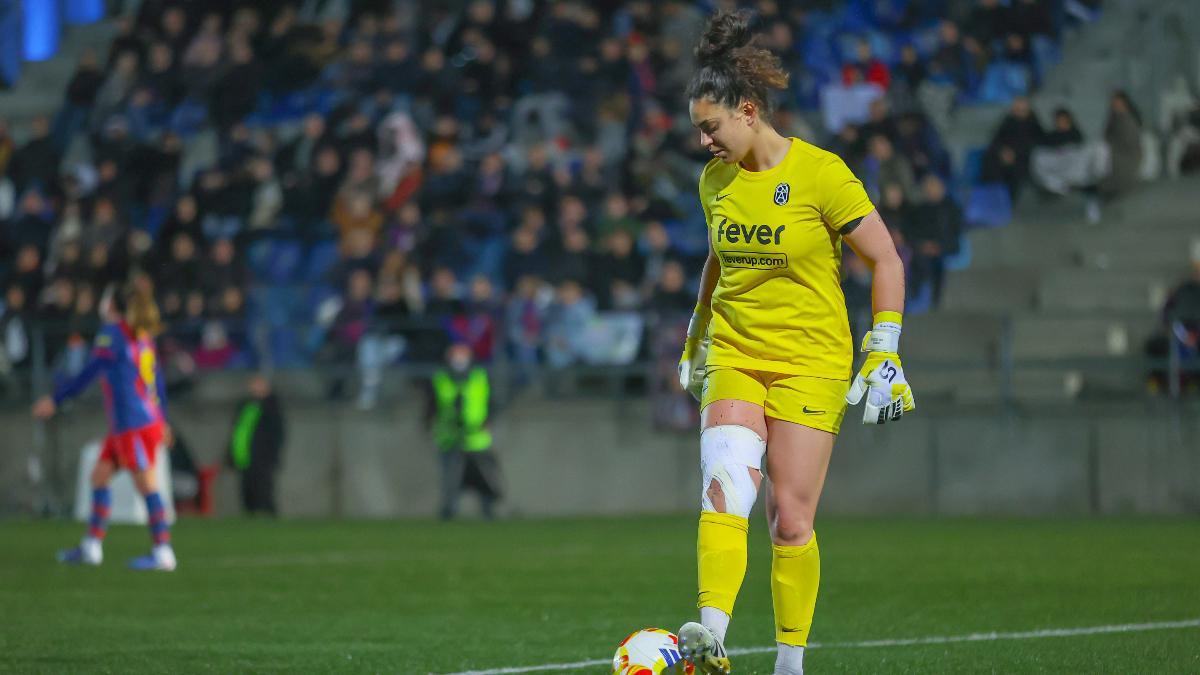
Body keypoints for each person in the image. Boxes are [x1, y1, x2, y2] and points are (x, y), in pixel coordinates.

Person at [675, 11, 915, 674]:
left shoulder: (821, 174)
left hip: (812, 359)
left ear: (748, 111)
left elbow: (886, 260)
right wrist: (697, 335)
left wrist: (885, 347)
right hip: (737, 350)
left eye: (711, 125)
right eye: (698, 128)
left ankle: (789, 661)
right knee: (725, 477)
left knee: (791, 518)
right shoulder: (714, 182)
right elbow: (718, 259)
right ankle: (712, 635)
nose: (703, 141)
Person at [32, 282, 176, 571]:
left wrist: (56, 399)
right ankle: (91, 547)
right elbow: (156, 381)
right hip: (139, 421)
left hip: (133, 424)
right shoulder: (142, 335)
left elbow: (88, 372)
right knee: (99, 477)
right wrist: (163, 418)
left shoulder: (113, 334)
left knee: (146, 484)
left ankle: (163, 552)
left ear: (112, 305)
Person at [424, 342, 502, 521]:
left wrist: (487, 421)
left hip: (476, 436)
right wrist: (430, 423)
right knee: (450, 477)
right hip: (449, 435)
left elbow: (491, 402)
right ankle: (449, 510)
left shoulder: (480, 376)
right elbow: (432, 405)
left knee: (484, 476)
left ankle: (488, 509)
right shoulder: (440, 378)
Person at [228, 373, 286, 515]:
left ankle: (268, 513)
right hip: (244, 453)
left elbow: (277, 433)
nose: (255, 388)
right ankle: (250, 513)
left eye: (259, 384)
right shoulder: (245, 405)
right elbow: (238, 430)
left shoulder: (272, 406)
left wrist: (272, 453)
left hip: (263, 456)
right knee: (247, 486)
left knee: (263, 486)